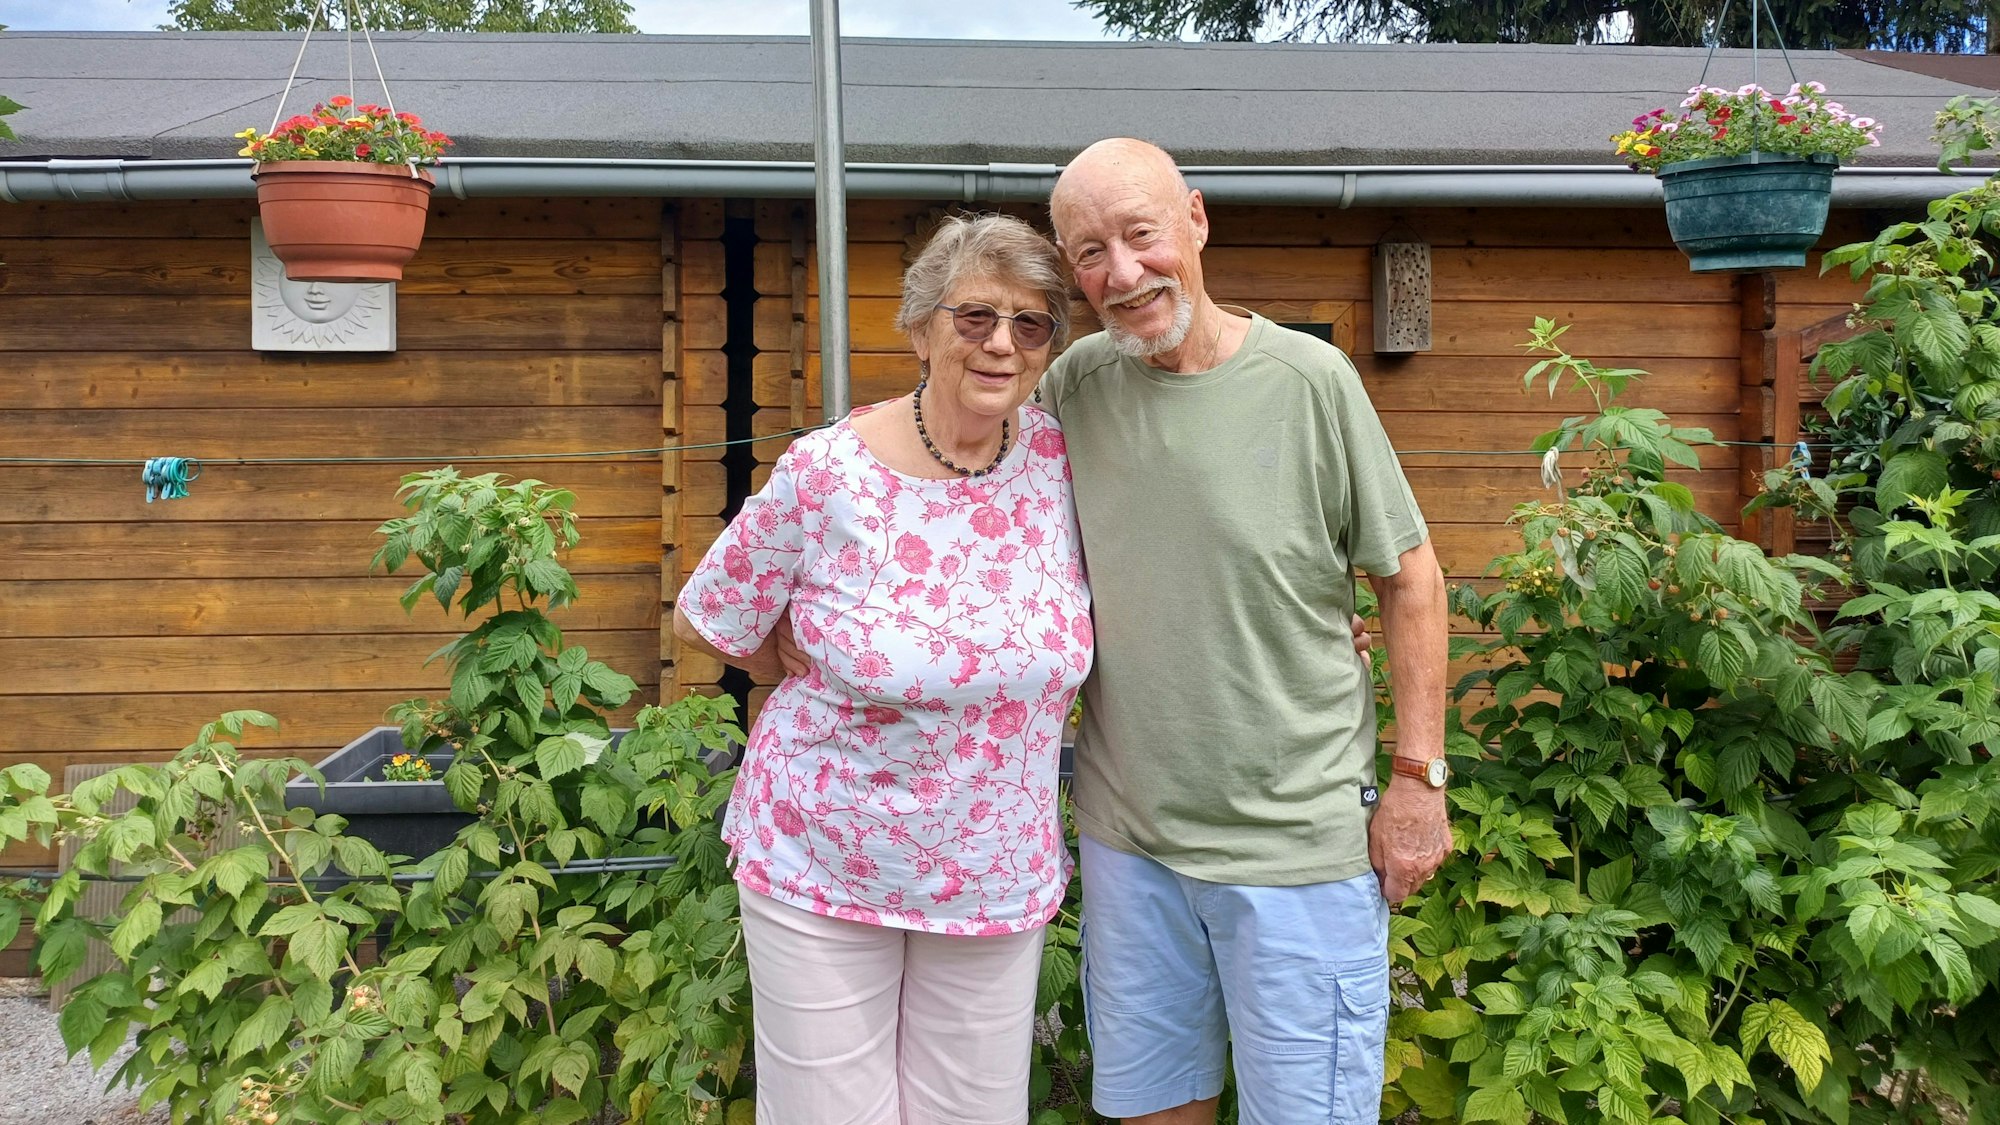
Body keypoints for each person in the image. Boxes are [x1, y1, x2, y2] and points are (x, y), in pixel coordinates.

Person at [1039, 138, 1453, 1125]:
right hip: (1130, 844)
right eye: (1089, 251)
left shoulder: (1309, 381)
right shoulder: (1072, 390)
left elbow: (1410, 581)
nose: (1122, 272)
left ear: (1195, 219)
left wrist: (1416, 778)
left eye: (1139, 235)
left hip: (1295, 848)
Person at [672, 213, 1091, 1125]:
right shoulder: (827, 473)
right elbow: (716, 611)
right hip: (825, 858)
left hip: (993, 872)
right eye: (974, 316)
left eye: (1031, 324)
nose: (1002, 346)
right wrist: (784, 658)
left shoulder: (1064, 462)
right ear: (919, 327)